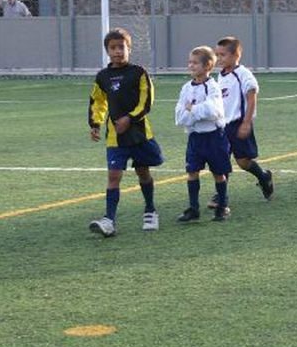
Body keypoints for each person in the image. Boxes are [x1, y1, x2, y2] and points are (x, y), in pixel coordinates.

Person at [87, 27, 162, 236]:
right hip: (115, 137)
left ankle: (150, 210)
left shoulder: (139, 73)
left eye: (122, 47)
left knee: (143, 172)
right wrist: (95, 123)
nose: (117, 51)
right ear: (107, 51)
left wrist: (129, 118)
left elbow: (146, 101)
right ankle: (109, 220)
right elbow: (98, 101)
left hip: (139, 135)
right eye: (113, 48)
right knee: (113, 176)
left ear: (129, 48)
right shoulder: (102, 77)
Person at [212, 37, 274, 207]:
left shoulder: (243, 74)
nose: (219, 59)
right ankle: (221, 195)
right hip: (223, 126)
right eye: (217, 55)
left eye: (222, 55)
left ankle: (263, 176)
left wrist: (247, 122)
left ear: (235, 55)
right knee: (222, 159)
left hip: (239, 123)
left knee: (243, 161)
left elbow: (252, 95)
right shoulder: (220, 75)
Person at [175, 46, 232, 223]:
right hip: (195, 138)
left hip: (214, 137)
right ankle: (193, 209)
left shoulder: (213, 87)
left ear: (207, 65)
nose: (191, 66)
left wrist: (193, 110)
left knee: (219, 173)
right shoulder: (186, 88)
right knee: (192, 171)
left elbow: (213, 111)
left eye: (195, 63)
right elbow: (179, 114)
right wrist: (194, 113)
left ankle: (222, 207)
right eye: (189, 62)